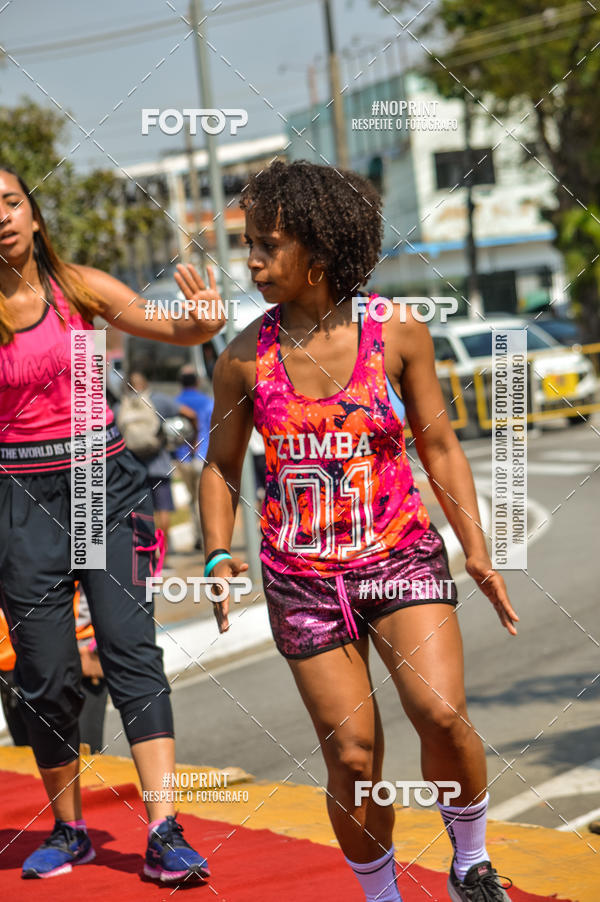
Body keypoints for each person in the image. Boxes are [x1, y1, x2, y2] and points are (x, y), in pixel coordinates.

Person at [199, 161, 518, 902]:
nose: (250, 261)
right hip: (302, 579)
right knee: (351, 751)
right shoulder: (244, 360)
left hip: (399, 556)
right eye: (249, 243)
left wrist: (476, 549)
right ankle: (382, 895)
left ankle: (470, 861)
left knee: (440, 712)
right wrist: (217, 553)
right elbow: (218, 468)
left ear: (319, 252)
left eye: (266, 245)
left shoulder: (398, 334)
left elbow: (438, 445)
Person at [0, 166, 223, 883]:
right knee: (47, 674)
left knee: (130, 649)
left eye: (10, 202)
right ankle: (69, 830)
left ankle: (164, 828)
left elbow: (175, 325)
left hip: (101, 482)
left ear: (33, 215)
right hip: (18, 497)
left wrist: (206, 321)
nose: (1, 217)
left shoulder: (79, 290)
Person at [0, 584, 108, 754]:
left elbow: (104, 571)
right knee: (29, 767)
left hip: (76, 653)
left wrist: (96, 639)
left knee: (84, 760)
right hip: (9, 661)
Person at [122, 368, 198, 558]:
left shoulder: (122, 406)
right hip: (160, 464)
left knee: (139, 510)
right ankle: (161, 549)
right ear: (146, 383)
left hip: (133, 467)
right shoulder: (158, 400)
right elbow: (189, 414)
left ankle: (144, 548)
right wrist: (192, 440)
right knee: (163, 509)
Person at [173, 365, 213, 551]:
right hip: (203, 456)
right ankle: (207, 537)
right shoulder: (208, 402)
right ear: (197, 382)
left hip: (183, 457)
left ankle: (198, 537)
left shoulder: (176, 402)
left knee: (191, 499)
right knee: (203, 499)